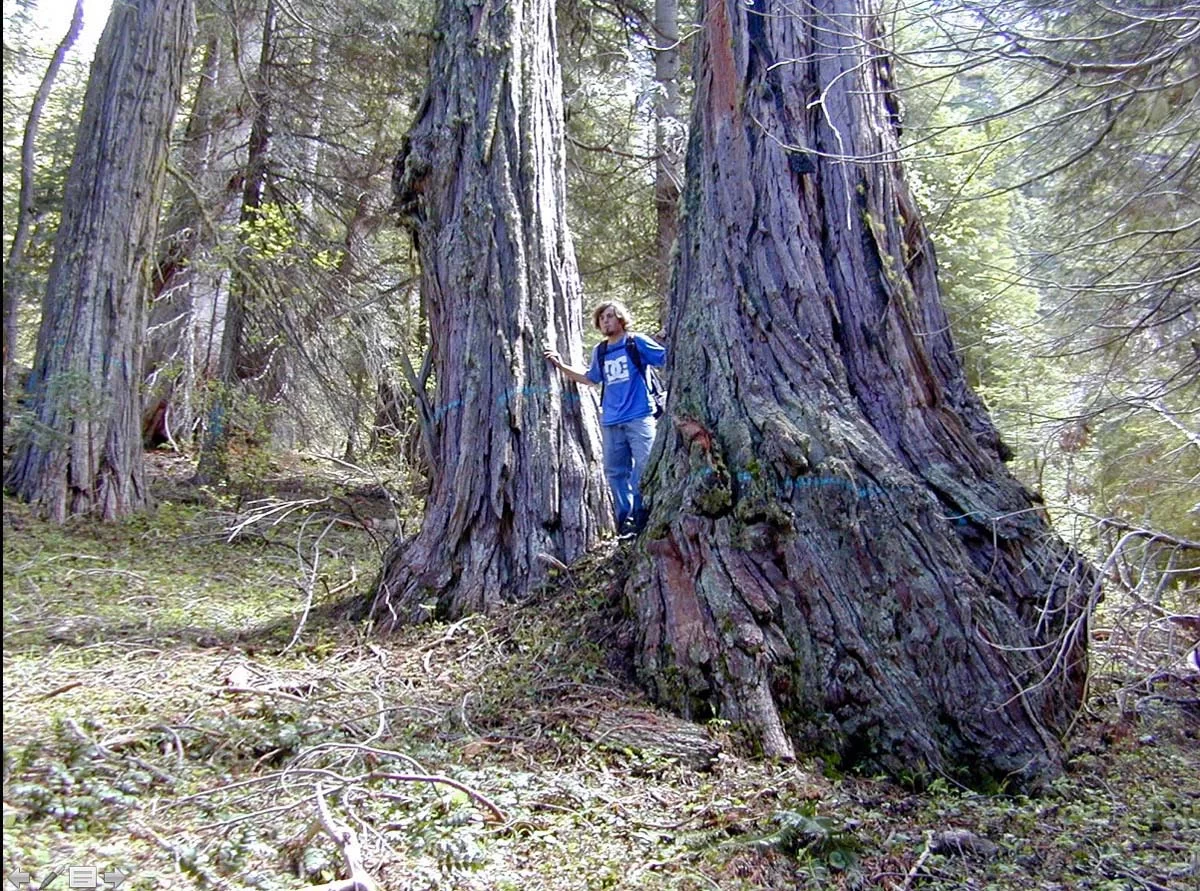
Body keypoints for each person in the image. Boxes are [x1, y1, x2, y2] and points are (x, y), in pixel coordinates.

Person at [545, 301, 666, 536]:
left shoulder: (635, 342)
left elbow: (664, 357)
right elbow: (590, 378)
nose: (606, 321)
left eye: (610, 316)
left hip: (640, 416)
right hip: (611, 420)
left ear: (621, 318)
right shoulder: (600, 351)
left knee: (644, 465)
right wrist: (560, 365)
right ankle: (625, 521)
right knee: (615, 472)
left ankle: (643, 514)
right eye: (602, 318)